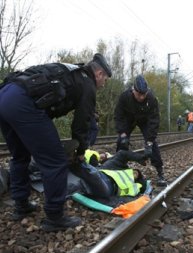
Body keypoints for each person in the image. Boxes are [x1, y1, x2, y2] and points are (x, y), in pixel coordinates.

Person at [0, 53, 112, 232]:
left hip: (5, 94)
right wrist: (81, 150)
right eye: (104, 80)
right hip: (22, 102)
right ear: (98, 74)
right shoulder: (88, 83)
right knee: (55, 161)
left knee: (20, 156)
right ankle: (55, 216)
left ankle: (21, 206)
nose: (103, 84)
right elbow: (82, 122)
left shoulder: (71, 71)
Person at [114, 74, 167, 187]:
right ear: (133, 90)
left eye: (144, 94)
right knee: (121, 142)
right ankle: (118, 167)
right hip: (129, 119)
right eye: (139, 95)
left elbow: (154, 120)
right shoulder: (124, 97)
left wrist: (149, 141)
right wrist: (122, 133)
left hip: (145, 120)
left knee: (153, 146)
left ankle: (160, 172)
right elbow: (119, 116)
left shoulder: (152, 99)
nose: (142, 97)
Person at [76, 150, 149, 200]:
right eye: (135, 172)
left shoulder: (134, 185)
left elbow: (144, 186)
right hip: (100, 176)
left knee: (91, 176)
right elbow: (122, 153)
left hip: (107, 187)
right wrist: (141, 158)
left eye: (136, 175)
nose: (134, 174)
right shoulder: (115, 163)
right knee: (91, 174)